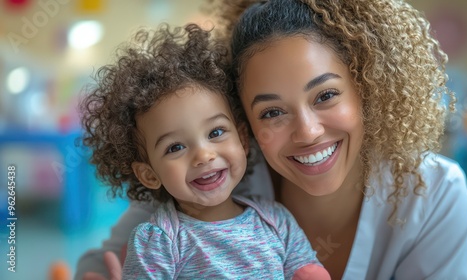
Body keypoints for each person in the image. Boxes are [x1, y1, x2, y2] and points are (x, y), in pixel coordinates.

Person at [77, 0, 467, 279]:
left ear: (366, 88)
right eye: (271, 112)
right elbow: (99, 262)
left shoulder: (434, 192)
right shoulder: (212, 177)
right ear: (244, 126)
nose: (307, 131)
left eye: (325, 96)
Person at [78, 22, 330, 279]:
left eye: (216, 133)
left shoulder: (275, 219)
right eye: (175, 147)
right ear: (149, 174)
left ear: (243, 140)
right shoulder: (159, 242)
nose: (203, 155)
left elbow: (304, 266)